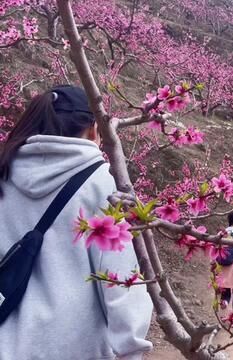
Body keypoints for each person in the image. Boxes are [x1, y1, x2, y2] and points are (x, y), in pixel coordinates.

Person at [0, 85, 152, 359]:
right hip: (71, 349)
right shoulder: (105, 184)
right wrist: (131, 349)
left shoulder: (5, 173)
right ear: (94, 130)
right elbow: (120, 284)